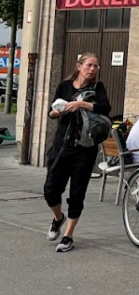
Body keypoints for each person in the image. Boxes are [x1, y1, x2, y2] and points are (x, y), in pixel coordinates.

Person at [43, 53, 110, 253]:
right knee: (50, 189)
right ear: (79, 66)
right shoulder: (65, 86)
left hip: (85, 147)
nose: (93, 69)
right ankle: (58, 218)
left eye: (96, 66)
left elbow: (105, 108)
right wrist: (58, 111)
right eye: (89, 65)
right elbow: (51, 112)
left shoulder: (97, 88)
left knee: (77, 193)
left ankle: (68, 235)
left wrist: (81, 104)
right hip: (62, 145)